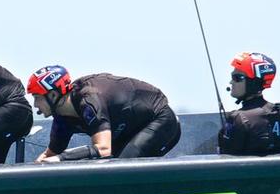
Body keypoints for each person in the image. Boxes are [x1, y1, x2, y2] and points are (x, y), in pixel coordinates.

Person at [27, 66, 180, 161]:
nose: (35, 105)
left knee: (120, 167)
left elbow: (103, 150)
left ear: (53, 95)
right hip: (128, 130)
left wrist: (61, 158)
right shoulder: (61, 118)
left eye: (37, 98)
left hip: (160, 119)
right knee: (103, 165)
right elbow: (49, 156)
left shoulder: (89, 101)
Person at [218, 52, 280, 155]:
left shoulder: (238, 118)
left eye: (237, 78)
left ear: (253, 82)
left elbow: (225, 155)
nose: (231, 82)